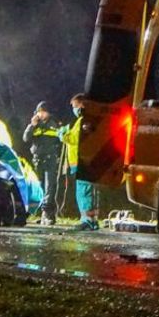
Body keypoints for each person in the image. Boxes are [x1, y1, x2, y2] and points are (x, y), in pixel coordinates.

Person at [59, 94, 98, 230]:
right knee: (87, 191)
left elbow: (74, 139)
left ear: (82, 105)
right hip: (83, 160)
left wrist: (62, 134)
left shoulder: (82, 120)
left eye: (75, 106)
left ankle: (87, 221)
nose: (74, 109)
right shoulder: (86, 120)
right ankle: (92, 220)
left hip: (81, 160)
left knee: (83, 191)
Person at [23, 101, 63, 226]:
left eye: (43, 111)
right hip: (37, 159)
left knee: (50, 187)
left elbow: (61, 140)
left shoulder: (54, 123)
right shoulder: (35, 124)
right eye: (39, 111)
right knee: (38, 187)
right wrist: (32, 125)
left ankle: (48, 214)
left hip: (50, 159)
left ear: (48, 113)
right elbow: (25, 138)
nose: (41, 114)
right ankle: (40, 213)